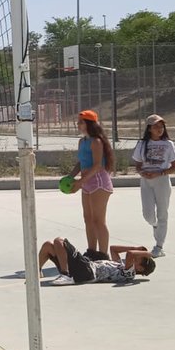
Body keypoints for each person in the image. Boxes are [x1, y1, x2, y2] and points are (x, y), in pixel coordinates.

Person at [66, 109, 115, 258]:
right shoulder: (82, 141)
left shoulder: (96, 142)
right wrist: (70, 177)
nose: (78, 124)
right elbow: (81, 162)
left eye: (81, 122)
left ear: (89, 124)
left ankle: (103, 254)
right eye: (78, 122)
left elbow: (97, 165)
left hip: (98, 182)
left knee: (98, 220)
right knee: (88, 218)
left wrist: (80, 182)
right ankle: (92, 251)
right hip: (86, 182)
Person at [131, 113, 175, 258]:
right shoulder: (142, 144)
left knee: (162, 213)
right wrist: (142, 172)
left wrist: (160, 173)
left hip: (162, 181)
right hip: (146, 181)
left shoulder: (168, 144)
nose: (160, 129)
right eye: (156, 126)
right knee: (148, 215)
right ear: (149, 128)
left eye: (162, 126)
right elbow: (138, 165)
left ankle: (159, 246)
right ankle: (155, 225)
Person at [37, 237, 155, 285]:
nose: (136, 257)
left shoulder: (130, 274)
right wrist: (135, 248)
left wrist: (149, 254)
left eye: (140, 259)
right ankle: (36, 271)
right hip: (84, 266)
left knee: (60, 241)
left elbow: (129, 255)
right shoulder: (121, 266)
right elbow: (113, 249)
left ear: (140, 268)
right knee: (48, 246)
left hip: (87, 271)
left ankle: (65, 274)